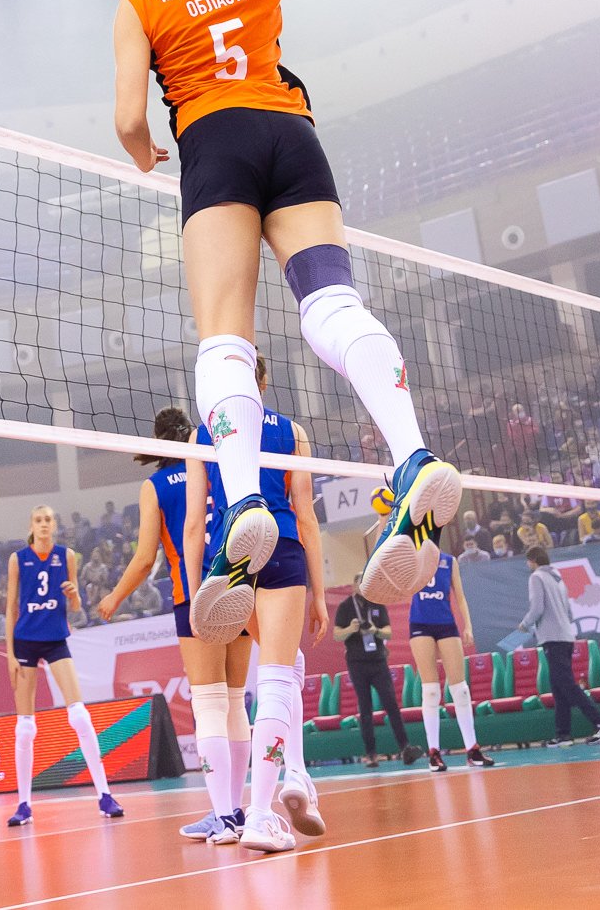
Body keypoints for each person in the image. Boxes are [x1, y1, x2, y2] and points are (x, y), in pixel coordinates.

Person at [110, 0, 461, 637]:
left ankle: (242, 505)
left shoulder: (139, 1)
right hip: (291, 134)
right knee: (332, 304)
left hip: (216, 143)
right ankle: (413, 453)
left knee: (224, 339)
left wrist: (142, 151)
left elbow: (129, 118)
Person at [185, 363, 330, 853]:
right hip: (281, 544)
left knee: (286, 666)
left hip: (231, 554)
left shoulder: (202, 433)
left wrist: (197, 594)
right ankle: (263, 813)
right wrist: (320, 593)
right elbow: (307, 516)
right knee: (277, 675)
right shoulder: (292, 432)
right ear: (262, 384)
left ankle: (298, 772)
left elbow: (193, 523)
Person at [103, 409, 262, 845]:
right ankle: (236, 809)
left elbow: (144, 559)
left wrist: (114, 597)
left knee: (209, 705)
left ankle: (223, 816)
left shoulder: (154, 487)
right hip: (239, 584)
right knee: (235, 702)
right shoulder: (220, 466)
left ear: (157, 443)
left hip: (195, 593)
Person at [3, 505, 125, 826]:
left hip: (56, 638)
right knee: (25, 727)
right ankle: (24, 804)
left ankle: (105, 795)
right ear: (31, 525)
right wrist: (11, 653)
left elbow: (76, 606)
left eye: (48, 520)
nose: (44, 524)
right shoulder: (18, 559)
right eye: (38, 520)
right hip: (25, 641)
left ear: (55, 525)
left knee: (80, 715)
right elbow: (11, 607)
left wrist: (73, 596)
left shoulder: (67, 556)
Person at [405, 546, 492, 770]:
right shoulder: (411, 558)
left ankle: (472, 749)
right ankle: (434, 752)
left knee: (460, 689)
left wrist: (468, 626)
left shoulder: (449, 561)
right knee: (431, 690)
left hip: (446, 624)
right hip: (420, 625)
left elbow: (460, 597)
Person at [519, 546, 600, 748]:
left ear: (533, 560)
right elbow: (566, 611)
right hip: (565, 636)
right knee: (558, 687)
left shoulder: (536, 577)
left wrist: (525, 624)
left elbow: (537, 608)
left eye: (528, 561)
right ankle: (563, 734)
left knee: (567, 685)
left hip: (552, 638)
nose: (527, 565)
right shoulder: (558, 578)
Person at [332, 575, 418, 770]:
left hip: (378, 662)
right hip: (357, 663)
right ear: (354, 586)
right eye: (360, 583)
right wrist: (350, 629)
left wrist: (375, 630)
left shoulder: (377, 604)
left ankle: (405, 748)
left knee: (391, 704)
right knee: (365, 708)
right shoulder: (346, 606)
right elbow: (337, 634)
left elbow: (388, 632)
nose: (363, 587)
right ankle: (371, 754)